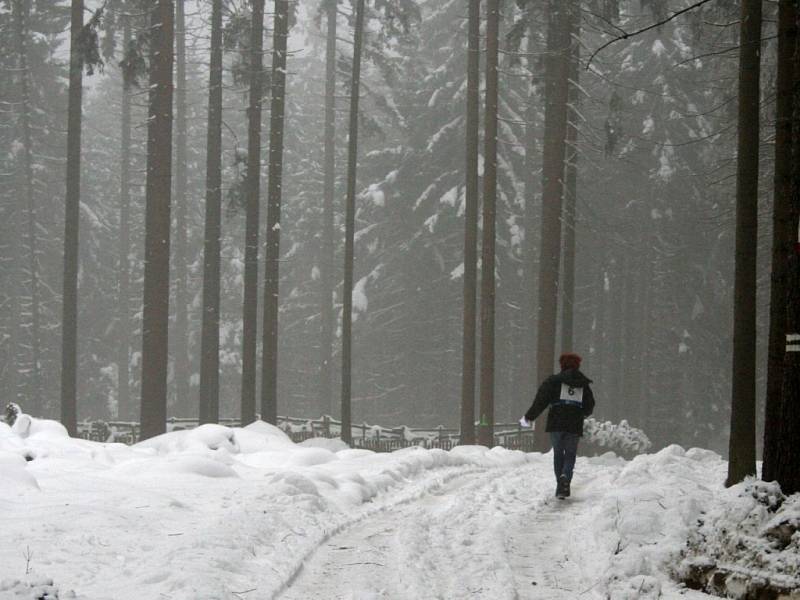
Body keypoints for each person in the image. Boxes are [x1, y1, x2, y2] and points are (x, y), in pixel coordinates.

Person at [520, 353, 595, 499]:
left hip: (557, 422)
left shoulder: (554, 381)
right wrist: (582, 413)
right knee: (570, 454)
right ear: (577, 365)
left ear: (562, 365)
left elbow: (541, 401)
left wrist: (529, 417)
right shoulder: (583, 384)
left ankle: (560, 485)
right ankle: (565, 477)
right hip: (574, 423)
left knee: (558, 453)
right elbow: (590, 405)